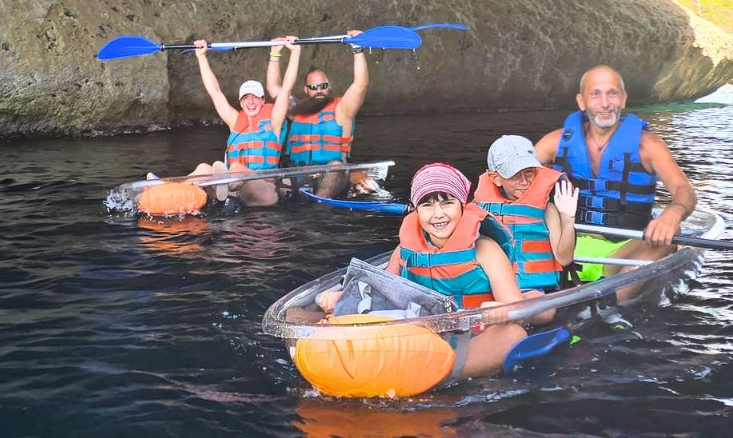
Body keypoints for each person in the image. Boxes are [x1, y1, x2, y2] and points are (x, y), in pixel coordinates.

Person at [317, 163, 536, 382]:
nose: (438, 214)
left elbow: (519, 312)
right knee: (306, 317)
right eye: (427, 205)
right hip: (419, 339)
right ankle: (407, 370)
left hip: (474, 337)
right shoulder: (404, 251)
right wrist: (342, 300)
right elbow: (381, 299)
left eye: (447, 203)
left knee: (514, 334)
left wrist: (501, 310)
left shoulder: (486, 250)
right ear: (416, 209)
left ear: (462, 206)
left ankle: (433, 373)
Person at [535, 67, 698, 292]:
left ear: (623, 99)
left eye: (612, 93)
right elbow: (513, 183)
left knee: (673, 234)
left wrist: (671, 215)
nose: (605, 103)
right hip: (563, 245)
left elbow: (684, 191)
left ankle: (617, 306)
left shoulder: (647, 145)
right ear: (581, 102)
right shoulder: (553, 143)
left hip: (623, 251)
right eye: (595, 94)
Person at [188, 36, 300, 207]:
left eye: (255, 98)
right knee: (203, 168)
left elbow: (286, 88)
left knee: (236, 168)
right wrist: (201, 56)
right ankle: (165, 190)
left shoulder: (274, 120)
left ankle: (224, 185)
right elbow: (215, 92)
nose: (251, 102)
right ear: (240, 103)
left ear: (263, 101)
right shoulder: (235, 121)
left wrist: (294, 53)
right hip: (236, 192)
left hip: (265, 189)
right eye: (246, 98)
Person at [266, 31, 370, 198]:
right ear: (306, 90)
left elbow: (361, 84)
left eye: (323, 86)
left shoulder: (342, 109)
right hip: (299, 173)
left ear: (329, 86)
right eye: (314, 87)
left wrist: (358, 50)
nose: (319, 90)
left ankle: (319, 204)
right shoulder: (296, 110)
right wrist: (275, 53)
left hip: (332, 174)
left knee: (335, 165)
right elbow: (273, 87)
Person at [473, 135, 579, 295]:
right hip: (488, 291)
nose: (524, 182)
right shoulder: (477, 208)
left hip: (531, 291)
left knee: (544, 311)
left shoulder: (547, 210)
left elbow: (564, 258)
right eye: (515, 175)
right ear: (496, 178)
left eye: (529, 172)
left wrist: (568, 219)